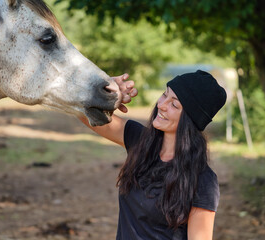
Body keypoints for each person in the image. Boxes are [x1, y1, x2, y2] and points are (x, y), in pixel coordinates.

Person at [79, 70, 227, 240]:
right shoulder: (140, 140)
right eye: (165, 95)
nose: (162, 105)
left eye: (174, 105)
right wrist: (103, 89)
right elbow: (83, 113)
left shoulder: (202, 180)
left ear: (190, 120)